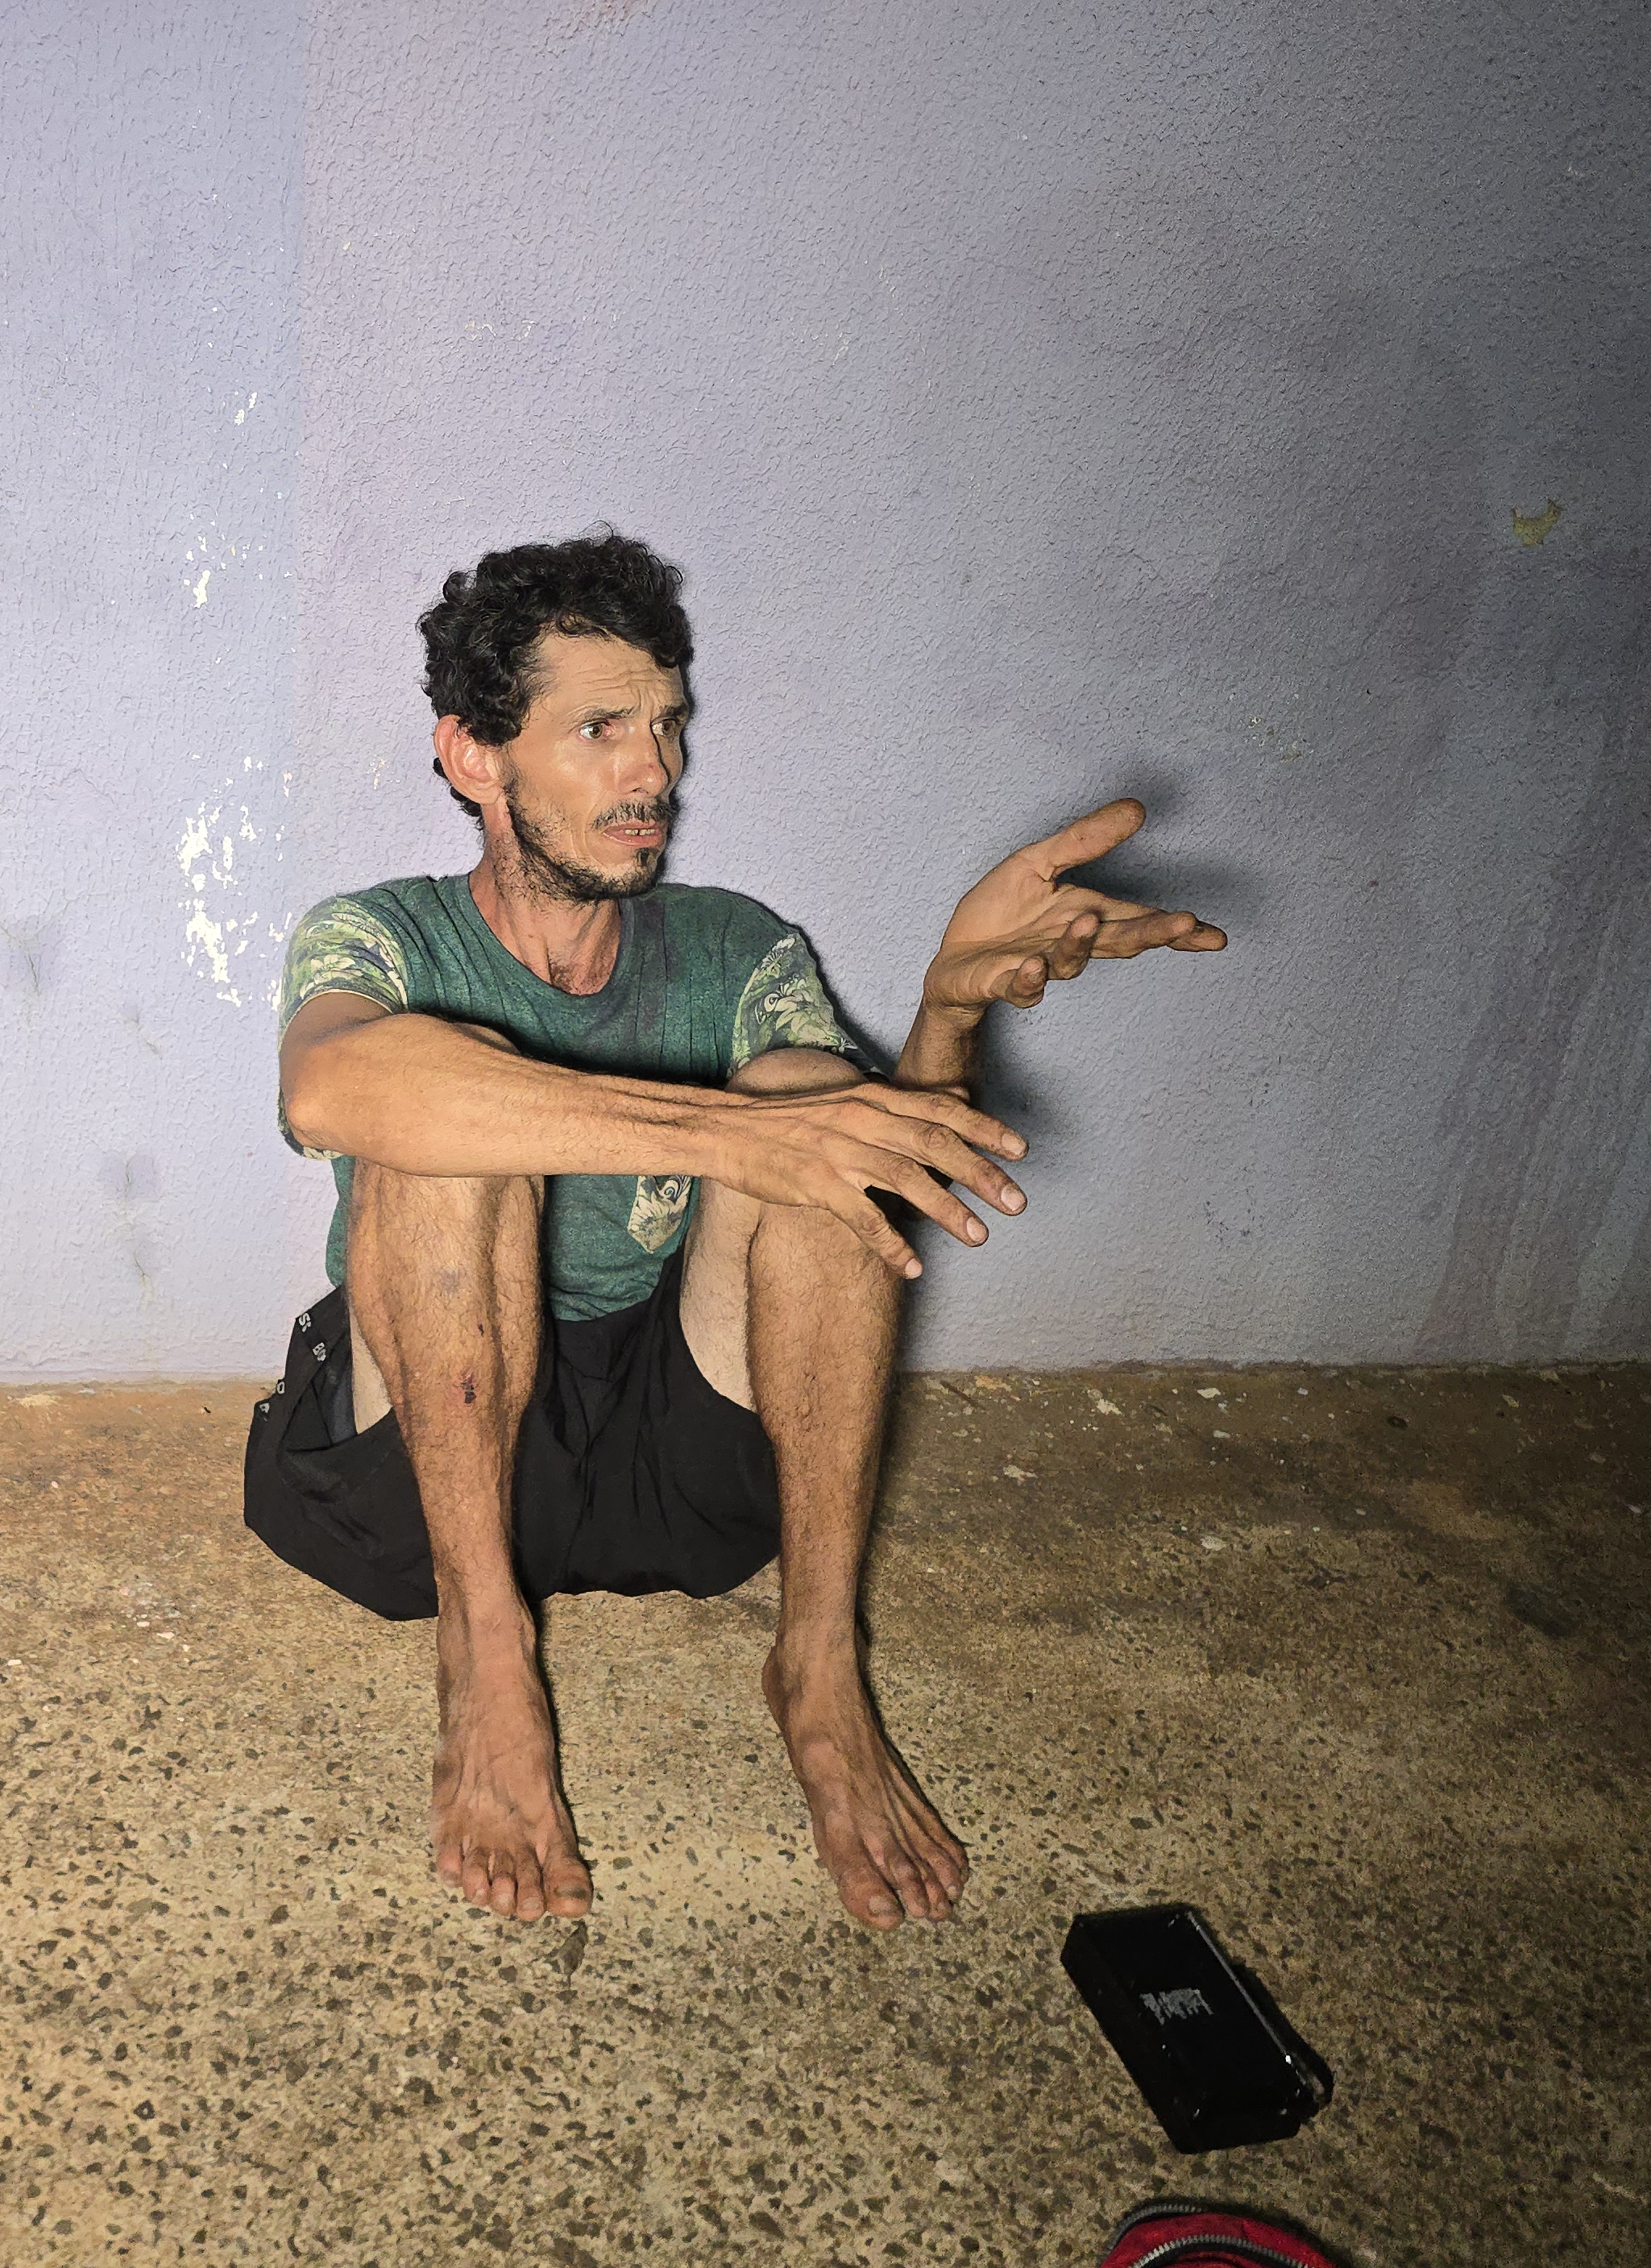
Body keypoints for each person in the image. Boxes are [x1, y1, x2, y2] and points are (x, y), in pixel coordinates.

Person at [244, 532, 1223, 1929]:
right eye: (600, 729)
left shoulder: (733, 943)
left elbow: (873, 1180)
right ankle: (488, 1655)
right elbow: (328, 1086)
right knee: (444, 1121)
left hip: (669, 1445)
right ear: (473, 756)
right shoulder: (382, 935)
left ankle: (819, 1666)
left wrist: (949, 1005)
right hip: (431, 1452)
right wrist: (726, 1138)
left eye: (668, 724)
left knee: (810, 1095)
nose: (655, 772)